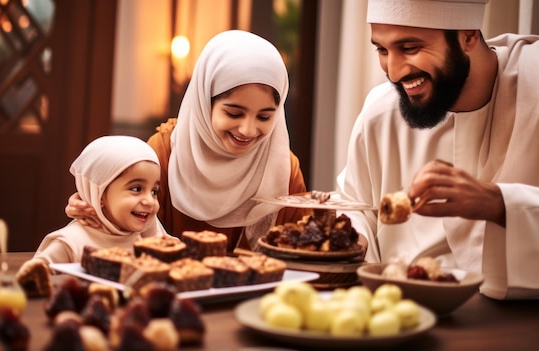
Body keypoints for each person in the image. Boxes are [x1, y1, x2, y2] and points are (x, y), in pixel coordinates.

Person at [338, 0, 539, 300]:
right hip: (403, 313)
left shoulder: (533, 85)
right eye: (382, 49)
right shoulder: (382, 111)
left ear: (468, 35)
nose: (393, 73)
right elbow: (355, 204)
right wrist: (352, 238)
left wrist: (498, 203)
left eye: (409, 48)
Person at [66, 30, 311, 252]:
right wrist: (98, 209)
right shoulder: (164, 153)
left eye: (265, 117)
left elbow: (306, 246)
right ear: (205, 102)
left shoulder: (283, 169)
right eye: (233, 113)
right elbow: (124, 230)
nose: (247, 129)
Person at [32, 135, 167, 265]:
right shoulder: (70, 243)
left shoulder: (149, 235)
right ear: (100, 194)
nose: (149, 201)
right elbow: (33, 277)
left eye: (154, 191)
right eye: (136, 189)